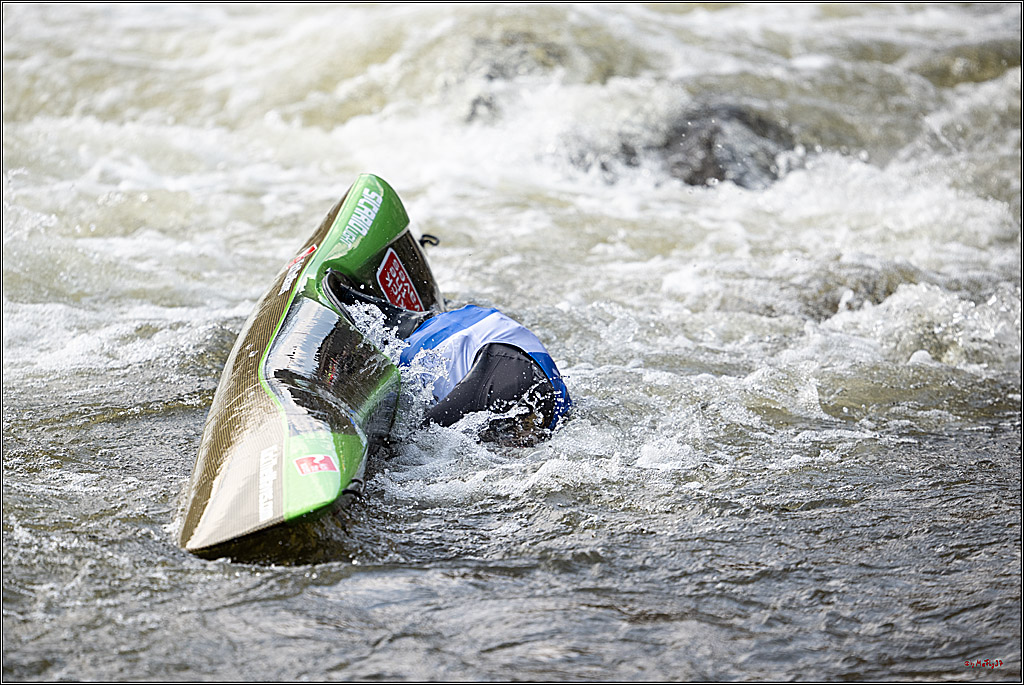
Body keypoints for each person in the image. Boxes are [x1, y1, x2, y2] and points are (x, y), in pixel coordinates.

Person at [327, 276, 572, 445]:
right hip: (463, 344)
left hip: (477, 328)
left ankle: (338, 290)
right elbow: (423, 435)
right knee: (414, 441)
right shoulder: (519, 389)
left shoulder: (557, 414)